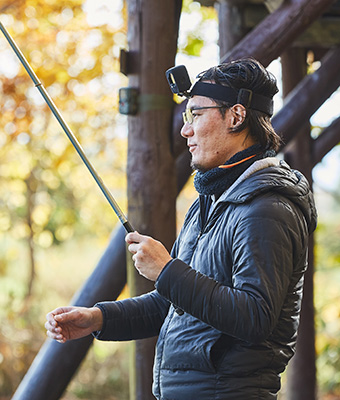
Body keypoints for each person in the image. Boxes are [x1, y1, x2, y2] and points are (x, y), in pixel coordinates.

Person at [46, 58, 317, 399]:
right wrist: (98, 318)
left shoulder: (266, 208)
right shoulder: (209, 204)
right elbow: (171, 303)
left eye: (196, 115)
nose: (185, 130)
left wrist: (166, 269)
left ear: (236, 116)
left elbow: (255, 317)